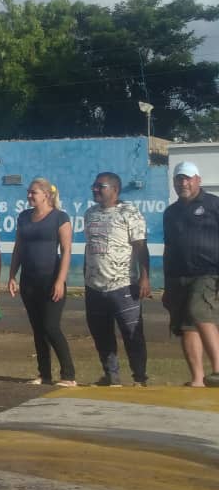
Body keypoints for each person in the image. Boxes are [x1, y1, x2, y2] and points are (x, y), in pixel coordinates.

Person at [7, 177, 76, 387]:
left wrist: (60, 280)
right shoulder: (24, 217)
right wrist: (12, 276)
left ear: (46, 194)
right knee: (38, 329)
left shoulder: (60, 218)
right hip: (29, 282)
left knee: (51, 326)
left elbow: (66, 251)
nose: (29, 195)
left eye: (33, 192)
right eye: (28, 192)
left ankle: (69, 375)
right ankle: (44, 374)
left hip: (51, 280)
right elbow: (18, 247)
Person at [83, 171, 150, 387]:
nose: (95, 189)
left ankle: (139, 378)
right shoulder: (90, 213)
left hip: (123, 286)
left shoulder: (129, 213)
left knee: (132, 333)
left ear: (115, 190)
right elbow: (90, 247)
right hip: (94, 286)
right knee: (101, 334)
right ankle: (111, 376)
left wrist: (144, 278)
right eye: (94, 185)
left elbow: (141, 247)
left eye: (100, 186)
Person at [162, 162, 219, 388]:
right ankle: (197, 378)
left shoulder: (214, 205)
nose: (183, 183)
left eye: (187, 178)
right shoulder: (171, 212)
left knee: (199, 311)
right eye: (179, 179)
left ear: (198, 180)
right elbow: (168, 246)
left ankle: (218, 369)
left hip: (207, 272)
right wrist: (166, 284)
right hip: (178, 275)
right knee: (185, 325)